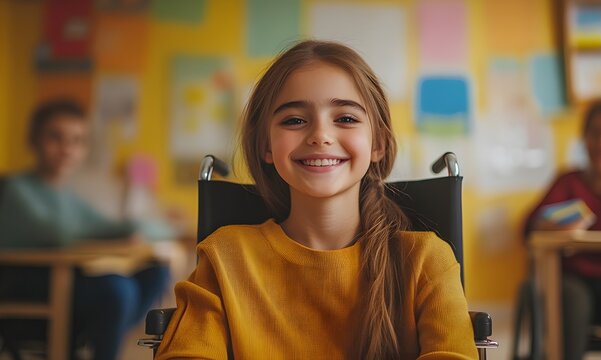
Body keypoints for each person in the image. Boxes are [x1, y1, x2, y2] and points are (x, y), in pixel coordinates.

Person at [156, 40, 476, 359]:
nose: (320, 135)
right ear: (266, 145)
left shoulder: (426, 260)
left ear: (378, 142)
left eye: (346, 118)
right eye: (294, 120)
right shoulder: (223, 256)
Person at [0, 99, 170, 360]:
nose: (67, 149)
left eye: (77, 141)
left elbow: (116, 226)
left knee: (156, 273)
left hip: (66, 284)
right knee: (117, 290)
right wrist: (117, 232)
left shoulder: (68, 197)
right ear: (34, 139)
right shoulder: (14, 189)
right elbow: (56, 233)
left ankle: (103, 339)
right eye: (56, 137)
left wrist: (138, 230)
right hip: (27, 296)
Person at [524, 99, 601, 359]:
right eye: (596, 133)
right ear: (584, 138)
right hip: (575, 280)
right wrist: (547, 225)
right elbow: (528, 228)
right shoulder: (568, 182)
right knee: (570, 297)